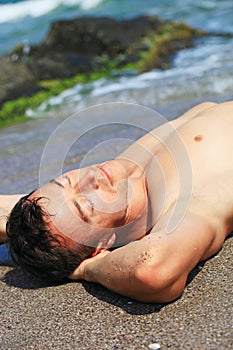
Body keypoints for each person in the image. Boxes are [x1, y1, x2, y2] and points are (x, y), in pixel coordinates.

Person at [1, 101, 233, 303]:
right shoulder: (188, 200)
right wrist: (88, 270)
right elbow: (150, 269)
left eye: (66, 181)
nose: (91, 177)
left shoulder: (125, 174)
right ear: (101, 247)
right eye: (87, 206)